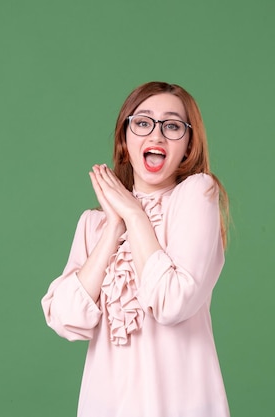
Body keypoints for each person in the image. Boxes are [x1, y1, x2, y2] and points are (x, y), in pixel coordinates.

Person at [41, 81, 230, 417]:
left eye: (172, 126)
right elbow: (66, 319)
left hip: (181, 405)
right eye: (142, 123)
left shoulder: (197, 195)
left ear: (187, 146)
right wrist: (114, 226)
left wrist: (133, 213)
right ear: (124, 139)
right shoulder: (94, 224)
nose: (155, 136)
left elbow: (173, 303)